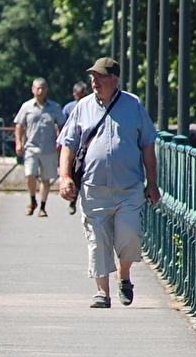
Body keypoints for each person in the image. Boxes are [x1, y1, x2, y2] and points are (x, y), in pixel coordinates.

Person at [57, 58, 159, 309]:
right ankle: (102, 292)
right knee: (97, 240)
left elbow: (147, 144)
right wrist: (65, 177)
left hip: (129, 187)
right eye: (93, 77)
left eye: (100, 77)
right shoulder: (83, 107)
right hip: (94, 188)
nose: (95, 82)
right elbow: (68, 144)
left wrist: (152, 183)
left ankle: (124, 275)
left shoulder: (133, 105)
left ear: (115, 81)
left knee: (131, 235)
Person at [13, 78, 64, 217]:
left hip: (48, 148)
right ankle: (32, 200)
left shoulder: (54, 107)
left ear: (46, 90)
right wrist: (18, 142)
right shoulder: (27, 107)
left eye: (42, 88)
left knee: (46, 179)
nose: (40, 91)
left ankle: (42, 206)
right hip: (31, 147)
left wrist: (60, 141)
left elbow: (61, 125)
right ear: (33, 90)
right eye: (37, 88)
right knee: (30, 174)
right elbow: (19, 125)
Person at [60, 82, 91, 215]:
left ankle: (76, 198)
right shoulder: (69, 108)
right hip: (73, 146)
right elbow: (63, 126)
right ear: (74, 95)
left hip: (86, 147)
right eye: (78, 97)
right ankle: (72, 198)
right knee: (73, 172)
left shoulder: (92, 107)